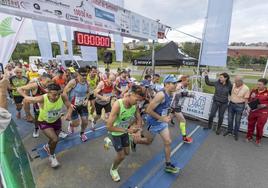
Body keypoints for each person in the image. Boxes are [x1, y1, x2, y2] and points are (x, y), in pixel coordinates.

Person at [23, 83, 73, 168]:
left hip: (56, 121)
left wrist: (68, 114)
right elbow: (26, 100)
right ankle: (52, 156)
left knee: (52, 140)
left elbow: (70, 106)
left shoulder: (62, 96)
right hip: (44, 122)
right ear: (48, 93)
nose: (57, 97)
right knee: (55, 139)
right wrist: (28, 115)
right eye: (54, 95)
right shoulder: (42, 98)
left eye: (58, 94)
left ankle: (47, 147)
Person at [106, 85, 145, 182]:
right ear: (130, 94)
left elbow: (139, 117)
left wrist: (139, 130)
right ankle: (113, 169)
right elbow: (109, 127)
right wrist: (128, 130)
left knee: (127, 153)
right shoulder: (118, 105)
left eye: (139, 101)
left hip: (124, 132)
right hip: (115, 133)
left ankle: (109, 142)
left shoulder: (134, 105)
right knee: (121, 156)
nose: (138, 102)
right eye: (137, 99)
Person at [145, 75, 180, 174]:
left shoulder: (171, 94)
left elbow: (165, 108)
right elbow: (148, 110)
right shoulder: (161, 95)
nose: (175, 85)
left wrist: (169, 115)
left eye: (176, 83)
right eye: (174, 83)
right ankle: (134, 140)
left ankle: (168, 165)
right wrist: (162, 118)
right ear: (167, 84)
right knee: (147, 142)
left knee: (168, 142)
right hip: (153, 123)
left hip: (162, 123)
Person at [64, 67, 91, 142]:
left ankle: (82, 133)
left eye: (86, 75)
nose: (84, 77)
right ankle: (71, 125)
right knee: (76, 124)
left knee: (85, 121)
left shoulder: (87, 83)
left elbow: (88, 92)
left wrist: (87, 99)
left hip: (82, 105)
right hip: (73, 105)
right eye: (83, 75)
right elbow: (64, 93)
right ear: (78, 74)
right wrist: (69, 104)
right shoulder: (73, 82)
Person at [223, 76, 250, 140]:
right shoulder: (234, 85)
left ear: (241, 81)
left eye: (236, 81)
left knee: (237, 121)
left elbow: (246, 99)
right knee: (230, 119)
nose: (234, 82)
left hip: (240, 106)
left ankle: (235, 133)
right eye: (235, 81)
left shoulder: (246, 88)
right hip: (231, 104)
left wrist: (245, 108)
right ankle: (229, 131)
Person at [170, 75, 194, 143]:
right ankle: (184, 137)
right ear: (183, 81)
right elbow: (177, 95)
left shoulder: (184, 86)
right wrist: (189, 94)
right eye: (187, 81)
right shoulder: (179, 86)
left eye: (189, 81)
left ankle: (154, 125)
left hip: (176, 106)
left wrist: (188, 94)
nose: (189, 82)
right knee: (183, 121)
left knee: (167, 118)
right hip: (176, 106)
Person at [246, 78, 268, 146]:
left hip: (263, 112)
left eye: (260, 85)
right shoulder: (253, 91)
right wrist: (251, 98)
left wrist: (265, 105)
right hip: (253, 111)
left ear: (265, 85)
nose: (258, 86)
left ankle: (258, 139)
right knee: (250, 124)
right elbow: (249, 100)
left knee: (259, 126)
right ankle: (249, 136)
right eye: (257, 84)